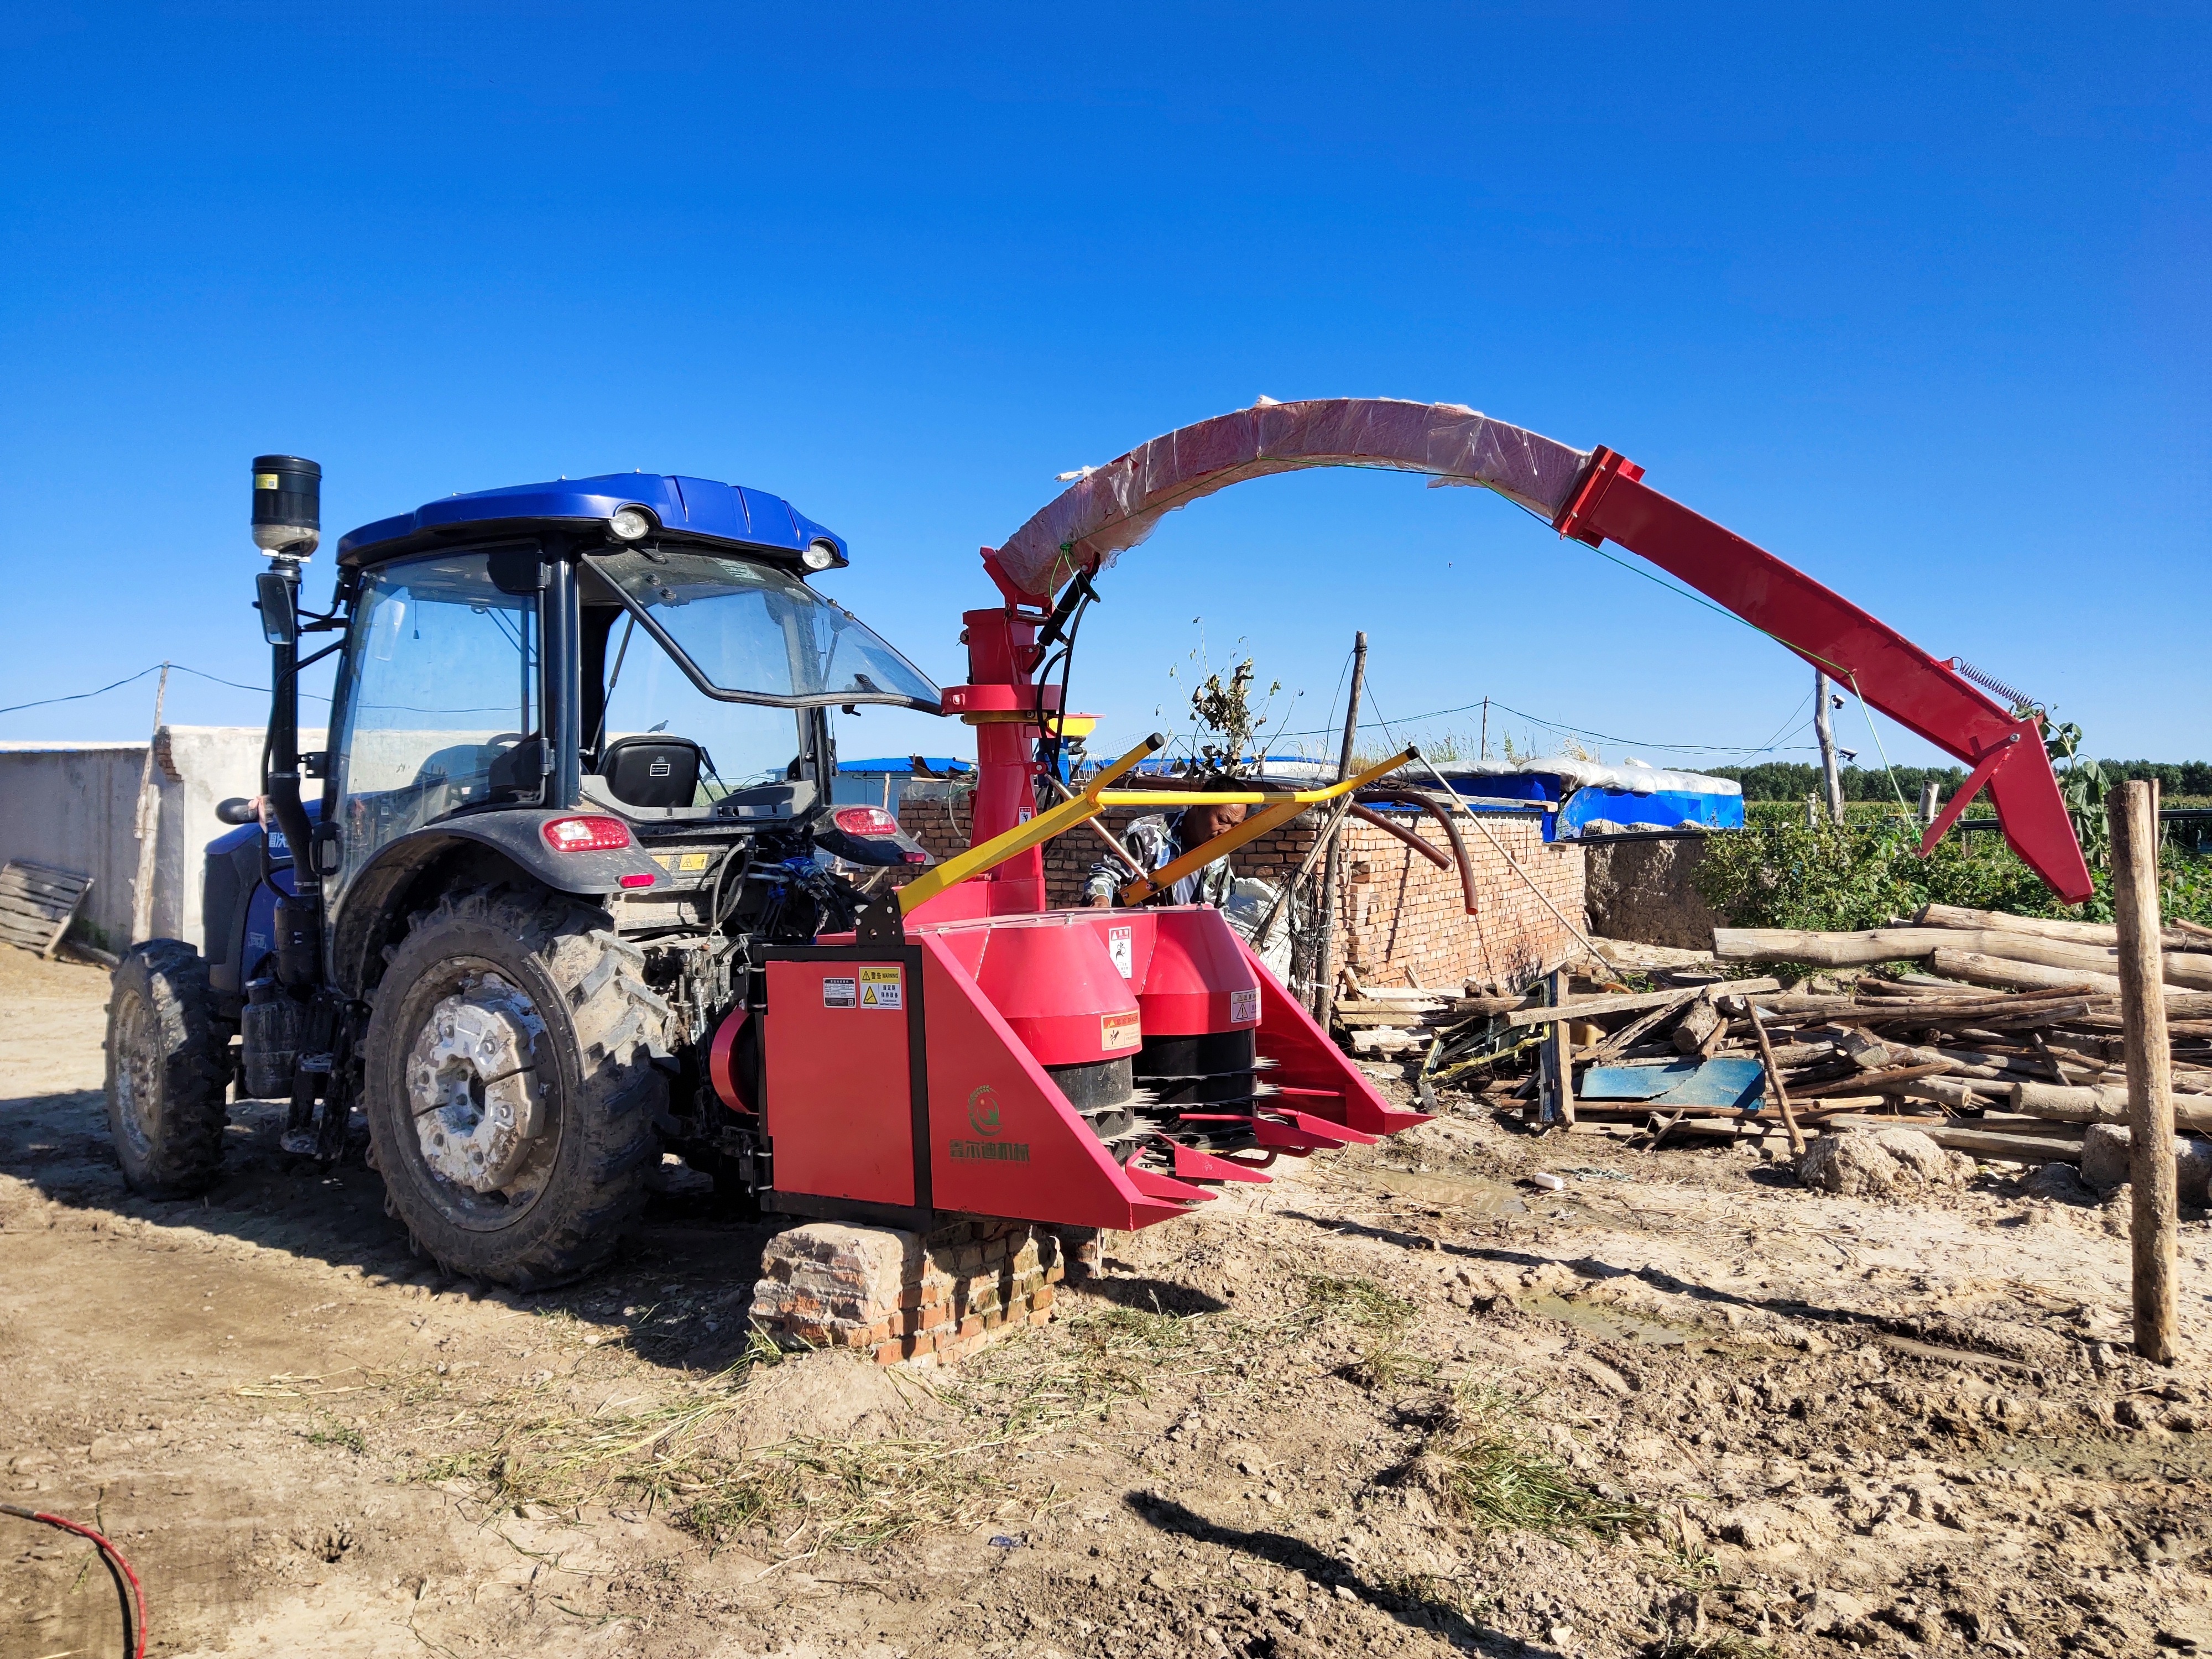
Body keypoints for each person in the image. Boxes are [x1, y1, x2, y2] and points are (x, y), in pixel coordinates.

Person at [1084, 796, 1249, 908]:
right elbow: (1105, 875)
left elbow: (1220, 910)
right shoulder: (1146, 835)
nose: (1226, 831)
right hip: (1135, 935)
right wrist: (1101, 901)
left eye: (1235, 826)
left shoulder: (1221, 857)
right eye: (1222, 821)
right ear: (1200, 805)